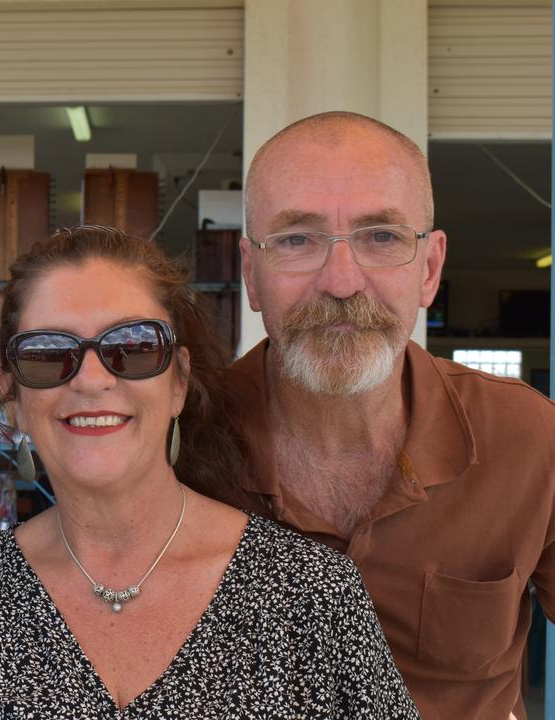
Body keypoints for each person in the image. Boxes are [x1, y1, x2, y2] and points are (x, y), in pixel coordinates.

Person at [0, 226, 418, 718]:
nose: (90, 380)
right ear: (13, 395)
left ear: (178, 381)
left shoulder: (312, 597)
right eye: (47, 352)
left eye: (130, 347)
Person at [227, 110, 555, 718]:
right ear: (251, 273)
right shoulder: (181, 444)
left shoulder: (531, 439)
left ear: (429, 268)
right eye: (298, 239)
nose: (342, 282)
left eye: (382, 236)